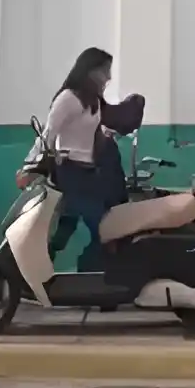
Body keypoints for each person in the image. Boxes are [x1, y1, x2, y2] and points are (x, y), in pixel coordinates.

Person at [35, 47, 121, 271]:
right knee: (103, 227)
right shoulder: (68, 99)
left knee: (65, 229)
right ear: (90, 71)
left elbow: (85, 133)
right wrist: (29, 166)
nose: (109, 77)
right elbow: (48, 134)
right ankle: (100, 277)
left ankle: (40, 269)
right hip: (71, 173)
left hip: (88, 172)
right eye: (105, 71)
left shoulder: (92, 101)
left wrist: (105, 136)